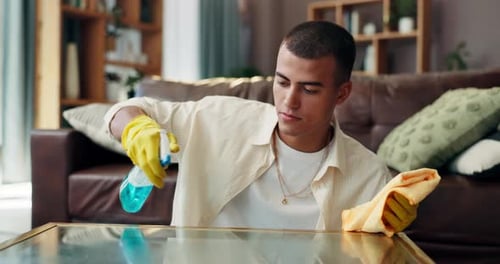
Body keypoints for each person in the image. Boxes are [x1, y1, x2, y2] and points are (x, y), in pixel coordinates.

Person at [104, 21, 416, 232]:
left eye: (309, 89)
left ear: (342, 93)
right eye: (282, 82)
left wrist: (389, 232)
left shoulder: (369, 176)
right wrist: (135, 129)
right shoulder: (217, 118)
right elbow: (125, 111)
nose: (289, 102)